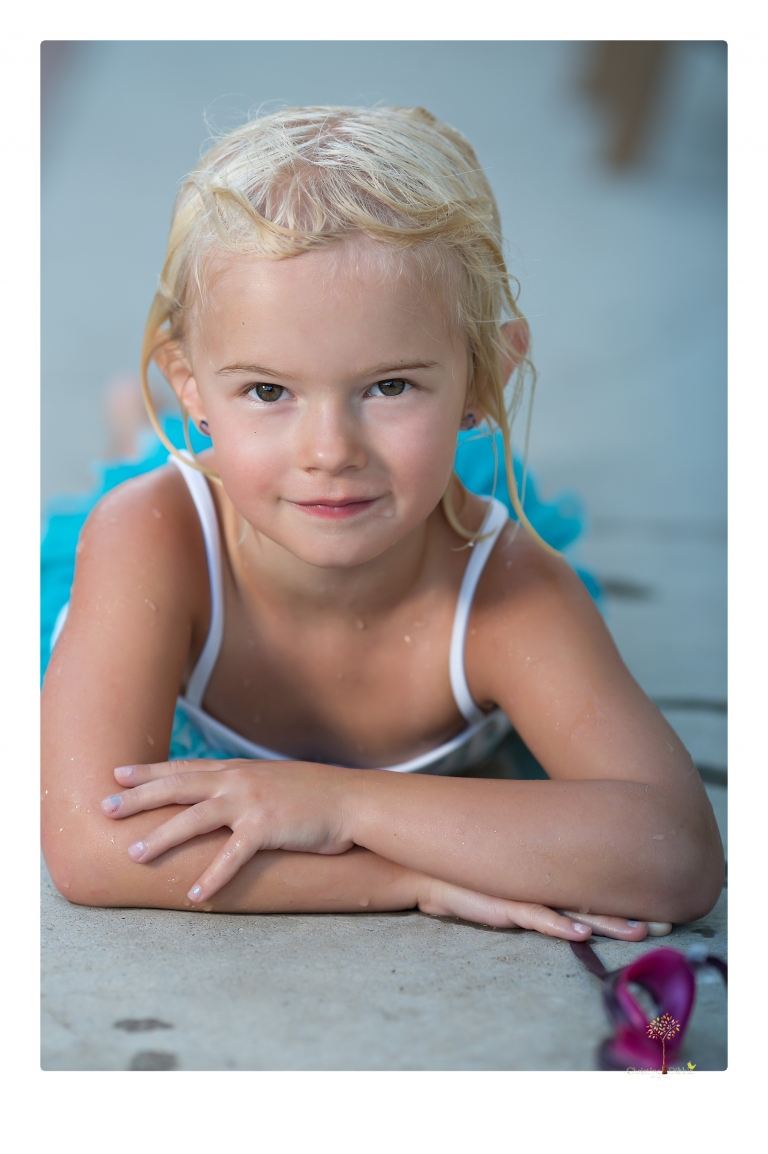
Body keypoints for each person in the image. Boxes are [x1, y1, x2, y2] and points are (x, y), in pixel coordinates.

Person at [41, 106, 723, 942]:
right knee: (148, 464)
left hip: (416, 503)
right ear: (190, 383)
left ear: (486, 375)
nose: (331, 450)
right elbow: (91, 847)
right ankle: (143, 425)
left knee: (458, 475)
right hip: (219, 494)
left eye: (390, 386)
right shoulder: (153, 537)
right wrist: (408, 873)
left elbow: (674, 853)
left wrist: (339, 803)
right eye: (267, 389)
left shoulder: (506, 587)